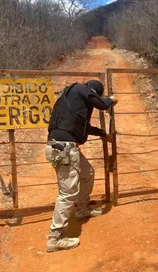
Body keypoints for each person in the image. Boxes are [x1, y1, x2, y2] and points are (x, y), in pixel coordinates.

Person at [45, 80, 117, 252]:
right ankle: (55, 237)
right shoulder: (81, 89)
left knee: (88, 173)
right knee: (67, 194)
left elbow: (84, 127)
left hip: (64, 146)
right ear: (93, 92)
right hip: (64, 148)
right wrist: (111, 100)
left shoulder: (72, 100)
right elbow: (102, 104)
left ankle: (82, 209)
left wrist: (102, 134)